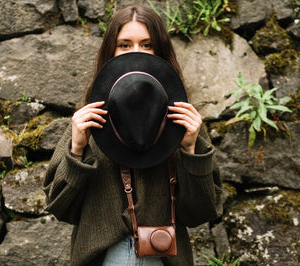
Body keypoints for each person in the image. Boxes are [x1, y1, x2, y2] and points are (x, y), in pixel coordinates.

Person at [43, 5, 222, 266]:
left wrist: (191, 150)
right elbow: (59, 207)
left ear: (160, 51)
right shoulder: (88, 121)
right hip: (102, 259)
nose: (136, 54)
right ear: (110, 52)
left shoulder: (183, 122)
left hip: (161, 258)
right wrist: (78, 149)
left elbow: (201, 212)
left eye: (147, 45)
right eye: (125, 45)